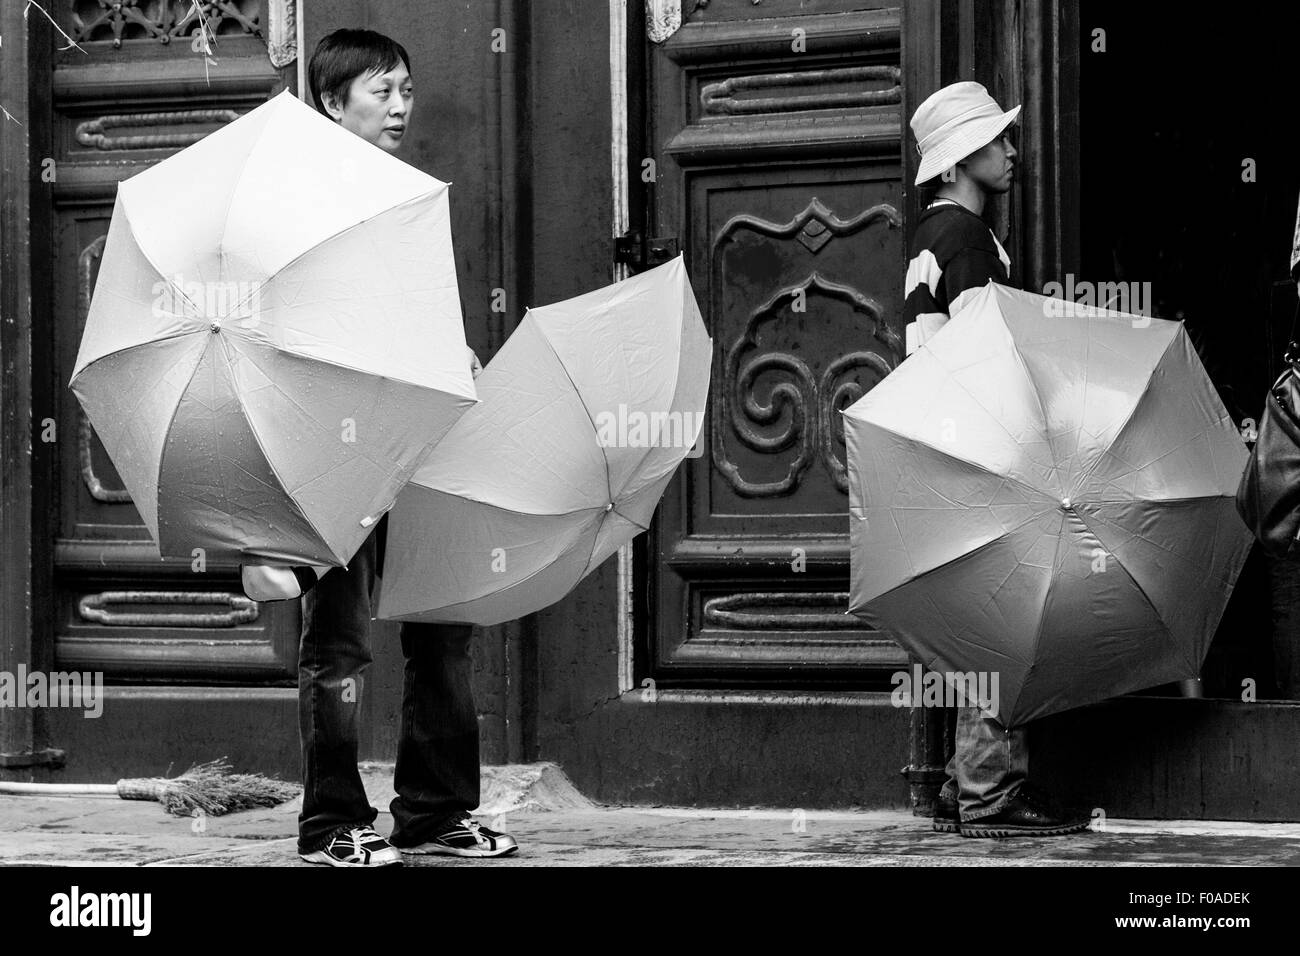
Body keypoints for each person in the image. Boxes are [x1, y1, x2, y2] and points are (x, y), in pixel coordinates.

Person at [241, 28, 515, 867]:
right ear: (332, 101)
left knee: (444, 629)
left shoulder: (404, 194)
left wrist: (452, 351)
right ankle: (331, 825)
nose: (401, 107)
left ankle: (435, 812)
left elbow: (418, 303)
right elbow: (273, 334)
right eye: (381, 92)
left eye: (406, 89)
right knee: (341, 643)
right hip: (332, 442)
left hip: (419, 435)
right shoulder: (292, 205)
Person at [904, 81, 1089, 838]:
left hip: (944, 447)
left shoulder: (931, 236)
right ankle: (990, 795)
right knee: (1006, 623)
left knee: (981, 621)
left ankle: (962, 783)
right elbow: (988, 361)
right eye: (998, 140)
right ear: (957, 161)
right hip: (983, 448)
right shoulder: (969, 240)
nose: (1014, 151)